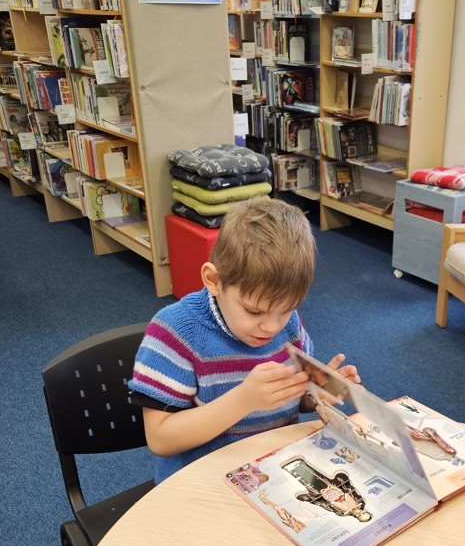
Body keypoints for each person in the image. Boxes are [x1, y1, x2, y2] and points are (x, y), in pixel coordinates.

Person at [129, 196, 359, 482]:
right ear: (213, 281)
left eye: (287, 309)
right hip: (202, 481)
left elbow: (292, 401)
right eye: (253, 311)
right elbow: (160, 439)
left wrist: (313, 395)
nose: (271, 327)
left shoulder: (288, 326)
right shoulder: (177, 332)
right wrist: (244, 400)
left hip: (272, 472)